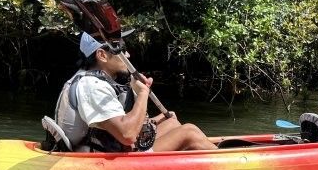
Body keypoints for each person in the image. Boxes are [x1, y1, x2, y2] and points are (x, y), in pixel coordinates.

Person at [54, 32, 216, 152]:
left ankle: (201, 161)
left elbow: (115, 127)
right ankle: (231, 164)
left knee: (171, 122)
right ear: (102, 55)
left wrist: (151, 117)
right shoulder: (92, 86)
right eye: (121, 49)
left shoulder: (94, 80)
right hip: (103, 161)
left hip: (113, 147)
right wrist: (143, 93)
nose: (128, 54)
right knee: (189, 132)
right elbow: (127, 135)